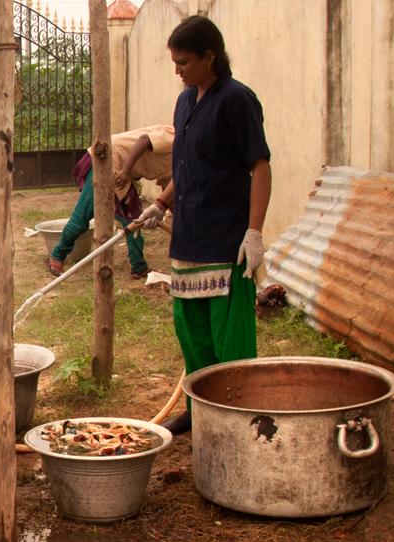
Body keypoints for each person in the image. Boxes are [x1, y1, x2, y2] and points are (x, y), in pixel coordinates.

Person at [136, 15, 271, 435]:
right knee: (193, 337)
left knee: (228, 340)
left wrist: (254, 232)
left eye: (184, 61)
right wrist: (161, 202)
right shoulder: (185, 102)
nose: (177, 70)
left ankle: (237, 416)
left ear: (210, 57)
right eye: (174, 62)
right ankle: (200, 413)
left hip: (226, 241)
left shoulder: (237, 100)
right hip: (188, 239)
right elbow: (190, 166)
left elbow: (260, 167)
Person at [48, 124, 175, 280]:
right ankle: (57, 256)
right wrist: (126, 171)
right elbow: (144, 140)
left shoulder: (185, 163)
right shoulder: (176, 136)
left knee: (134, 219)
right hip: (107, 160)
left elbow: (169, 193)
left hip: (121, 168)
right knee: (82, 217)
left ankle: (139, 267)